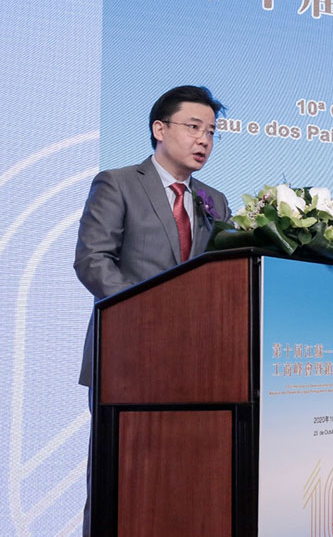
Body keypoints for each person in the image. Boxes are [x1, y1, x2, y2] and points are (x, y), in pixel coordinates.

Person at [73, 85, 230, 535]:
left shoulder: (215, 201)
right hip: (128, 355)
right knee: (119, 476)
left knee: (184, 476)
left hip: (196, 363)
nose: (203, 140)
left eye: (212, 132)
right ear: (160, 129)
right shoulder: (118, 183)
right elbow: (93, 260)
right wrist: (148, 314)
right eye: (194, 127)